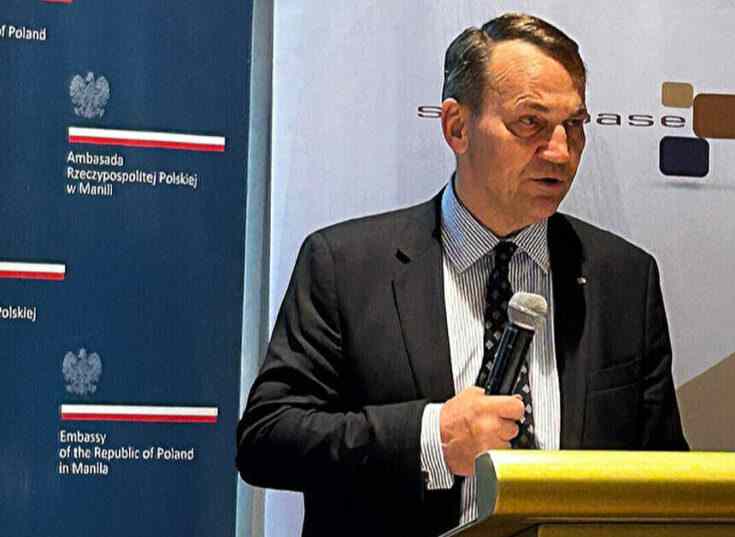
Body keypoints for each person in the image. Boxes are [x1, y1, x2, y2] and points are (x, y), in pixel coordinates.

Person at [236, 12, 688, 537]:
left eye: (574, 125)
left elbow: (663, 477)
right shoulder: (345, 266)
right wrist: (432, 436)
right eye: (531, 123)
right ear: (456, 127)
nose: (561, 152)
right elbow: (268, 439)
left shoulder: (624, 279)